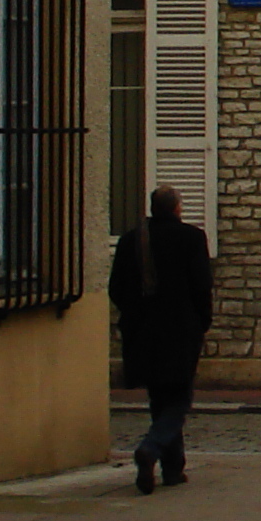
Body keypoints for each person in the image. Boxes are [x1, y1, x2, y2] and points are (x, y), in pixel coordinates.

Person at [109, 184, 213, 495]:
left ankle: (172, 468)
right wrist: (202, 322)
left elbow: (116, 288)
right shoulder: (192, 238)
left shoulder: (131, 241)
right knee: (179, 399)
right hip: (180, 329)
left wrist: (135, 314)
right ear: (177, 208)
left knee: (159, 396)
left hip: (143, 332)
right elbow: (201, 286)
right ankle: (150, 448)